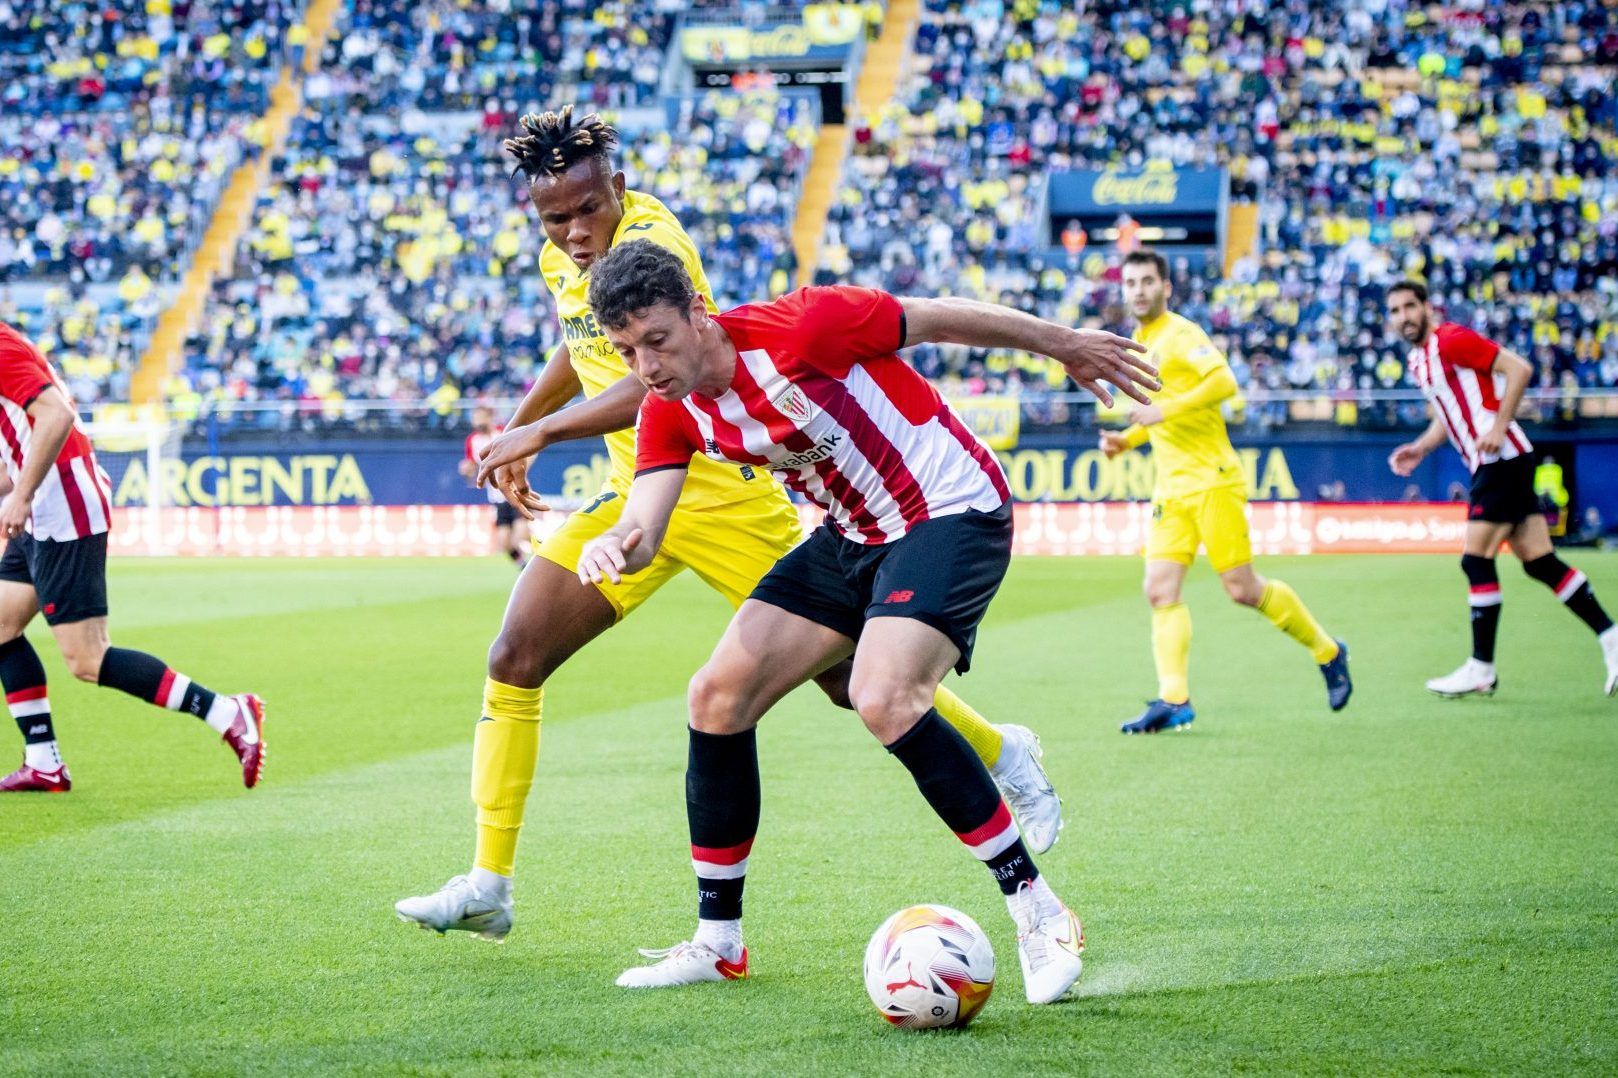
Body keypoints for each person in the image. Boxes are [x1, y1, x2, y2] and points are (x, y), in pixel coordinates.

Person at [394, 108, 1062, 943]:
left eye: (585, 210)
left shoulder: (654, 242)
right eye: (552, 218)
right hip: (636, 496)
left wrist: (540, 432)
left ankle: (1004, 753)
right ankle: (490, 882)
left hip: (722, 488)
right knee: (514, 654)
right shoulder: (562, 261)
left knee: (850, 682)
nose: (571, 232)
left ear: (619, 190)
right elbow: (585, 345)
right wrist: (523, 422)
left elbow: (660, 380)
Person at [568, 238, 1160, 1002]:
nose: (646, 366)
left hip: (951, 509)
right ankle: (719, 943)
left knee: (882, 695)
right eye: (626, 351)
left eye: (657, 340)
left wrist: (1064, 344)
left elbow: (940, 318)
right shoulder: (669, 410)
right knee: (716, 697)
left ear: (697, 314)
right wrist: (616, 543)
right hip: (852, 536)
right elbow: (645, 527)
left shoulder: (804, 327)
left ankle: (1038, 911)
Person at [0, 322, 264, 793]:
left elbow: (56, 416)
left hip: (64, 508)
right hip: (43, 506)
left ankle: (227, 711)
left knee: (86, 658)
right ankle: (44, 763)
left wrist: (21, 494)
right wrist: (18, 491)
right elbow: (19, 449)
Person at [1101, 251, 1351, 733]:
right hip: (1170, 489)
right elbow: (1163, 418)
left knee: (1242, 589)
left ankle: (1329, 651)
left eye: (1147, 280)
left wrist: (1162, 412)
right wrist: (1126, 440)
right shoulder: (1142, 341)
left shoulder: (1181, 333)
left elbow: (1224, 383)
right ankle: (1174, 700)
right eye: (1130, 282)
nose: (1137, 290)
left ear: (1165, 286)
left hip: (1213, 480)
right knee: (1158, 589)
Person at [1386, 279, 1618, 697]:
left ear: (1426, 307)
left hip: (1502, 459)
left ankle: (1481, 668)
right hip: (1495, 461)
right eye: (1395, 311)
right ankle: (1610, 636)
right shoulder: (1419, 362)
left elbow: (1519, 369)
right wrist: (1420, 448)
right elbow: (1449, 413)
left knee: (1475, 562)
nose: (1403, 317)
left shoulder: (1452, 340)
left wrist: (1497, 425)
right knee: (1540, 563)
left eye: (1409, 307)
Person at [462, 406, 529, 567]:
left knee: (521, 535)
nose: (477, 422)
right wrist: (467, 470)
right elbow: (471, 466)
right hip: (496, 496)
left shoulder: (503, 433)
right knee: (504, 542)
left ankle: (546, 560)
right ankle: (524, 567)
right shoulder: (473, 440)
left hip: (515, 492)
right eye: (475, 419)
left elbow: (525, 453)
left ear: (489, 417)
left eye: (480, 418)